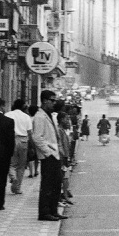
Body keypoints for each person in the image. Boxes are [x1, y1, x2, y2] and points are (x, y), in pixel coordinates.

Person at [32, 90, 67, 221]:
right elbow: (37, 138)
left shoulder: (49, 115)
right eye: (52, 100)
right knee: (47, 185)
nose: (54, 103)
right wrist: (48, 153)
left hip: (55, 155)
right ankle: (44, 212)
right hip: (49, 156)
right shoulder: (40, 117)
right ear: (45, 100)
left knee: (56, 184)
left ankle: (54, 210)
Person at [6, 99, 32, 195]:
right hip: (24, 140)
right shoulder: (26, 117)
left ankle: (13, 177)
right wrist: (31, 146)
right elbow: (30, 132)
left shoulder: (8, 114)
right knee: (21, 166)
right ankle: (18, 188)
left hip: (11, 139)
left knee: (11, 163)